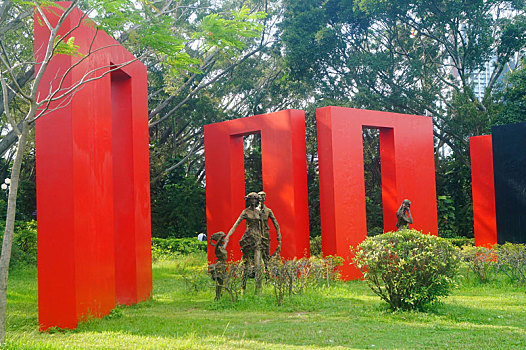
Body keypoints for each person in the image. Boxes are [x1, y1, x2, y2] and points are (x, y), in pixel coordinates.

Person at [223, 192, 263, 294]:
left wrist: (263, 238)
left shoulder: (259, 212)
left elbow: (262, 227)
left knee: (258, 265)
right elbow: (235, 225)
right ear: (248, 200)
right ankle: (243, 288)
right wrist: (227, 237)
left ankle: (258, 291)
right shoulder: (245, 212)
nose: (253, 201)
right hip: (248, 239)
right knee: (246, 265)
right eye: (251, 199)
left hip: (257, 239)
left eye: (255, 199)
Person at [257, 191, 281, 267]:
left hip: (266, 234)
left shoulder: (268, 211)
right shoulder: (254, 211)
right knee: (257, 254)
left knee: (267, 254)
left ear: (265, 198)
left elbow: (275, 223)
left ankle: (267, 273)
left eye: (263, 196)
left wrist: (278, 235)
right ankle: (257, 273)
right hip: (257, 234)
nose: (262, 198)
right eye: (260, 196)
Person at [208, 231, 227, 300]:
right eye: (222, 238)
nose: (223, 239)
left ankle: (220, 295)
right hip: (220, 266)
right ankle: (217, 296)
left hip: (223, 265)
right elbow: (220, 238)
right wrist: (220, 237)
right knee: (219, 282)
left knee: (222, 282)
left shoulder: (221, 247)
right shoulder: (217, 248)